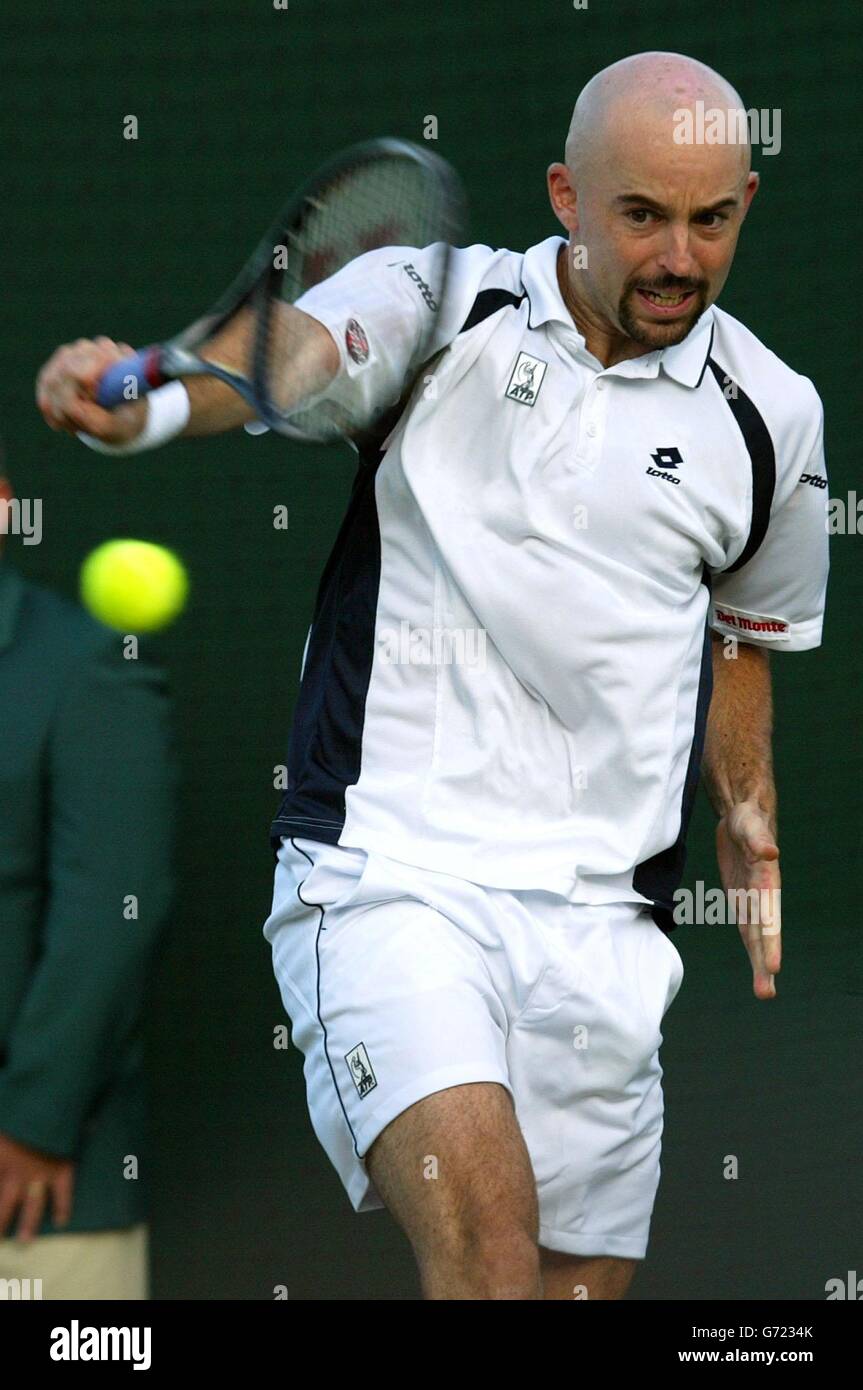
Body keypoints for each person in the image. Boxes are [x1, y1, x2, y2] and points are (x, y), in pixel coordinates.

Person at [35, 51, 829, 1300]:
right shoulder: (436, 301)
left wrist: (748, 815)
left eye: (709, 218)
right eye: (641, 215)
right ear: (565, 197)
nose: (678, 254)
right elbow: (287, 351)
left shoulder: (771, 415)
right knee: (489, 1260)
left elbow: (744, 629)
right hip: (392, 876)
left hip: (601, 924)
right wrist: (148, 402)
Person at [0, 462, 176, 1299]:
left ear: (3, 504)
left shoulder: (84, 666)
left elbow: (112, 910)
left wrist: (33, 1124)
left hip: (38, 1193)